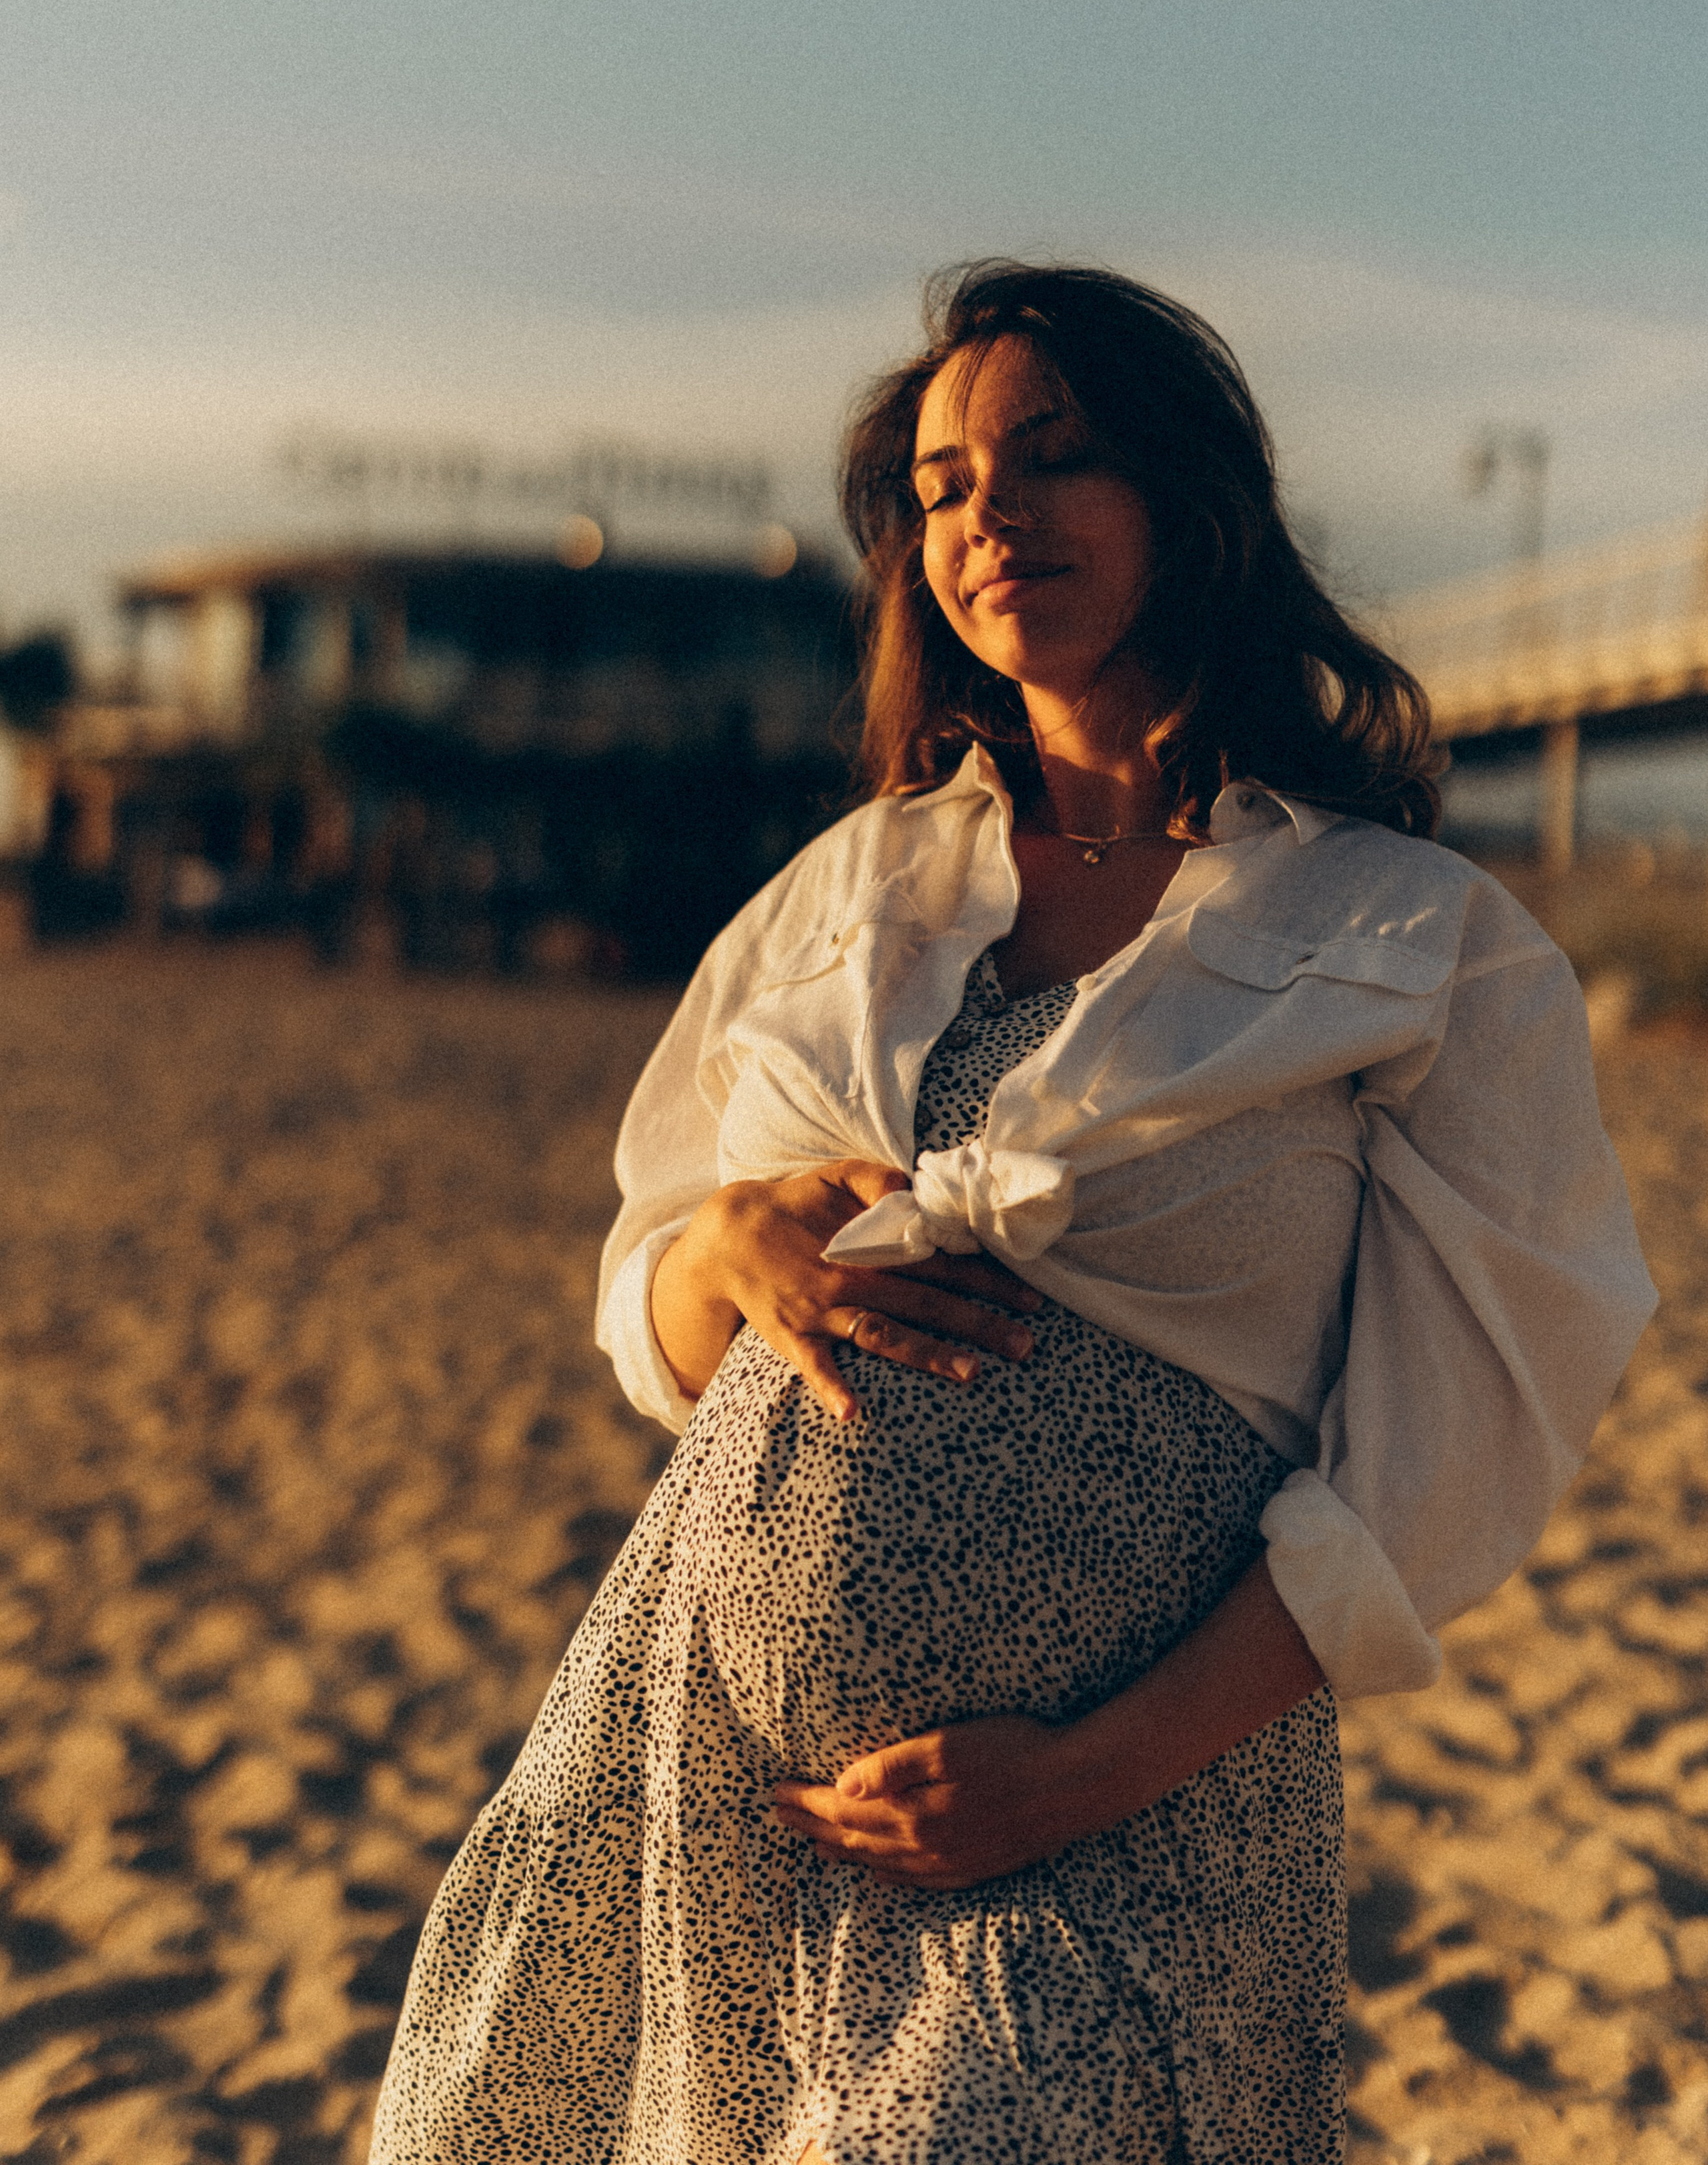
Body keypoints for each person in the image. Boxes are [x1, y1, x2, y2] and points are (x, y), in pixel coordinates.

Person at [371, 262, 1655, 2165]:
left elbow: (1445, 1466)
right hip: (703, 1780)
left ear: (1188, 501)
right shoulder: (851, 889)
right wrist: (717, 1256)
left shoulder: (1413, 939)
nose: (994, 517)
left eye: (1054, 459)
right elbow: (648, 1285)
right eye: (948, 488)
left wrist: (1075, 1779)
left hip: (1123, 1822)